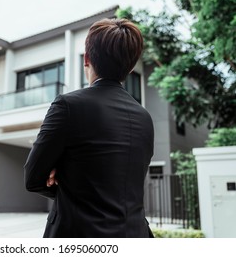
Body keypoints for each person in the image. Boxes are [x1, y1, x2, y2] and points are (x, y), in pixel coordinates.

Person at [24, 18, 154, 238]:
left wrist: (68, 183)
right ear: (131, 68)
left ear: (87, 59)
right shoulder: (145, 117)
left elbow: (33, 177)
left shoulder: (67, 105)